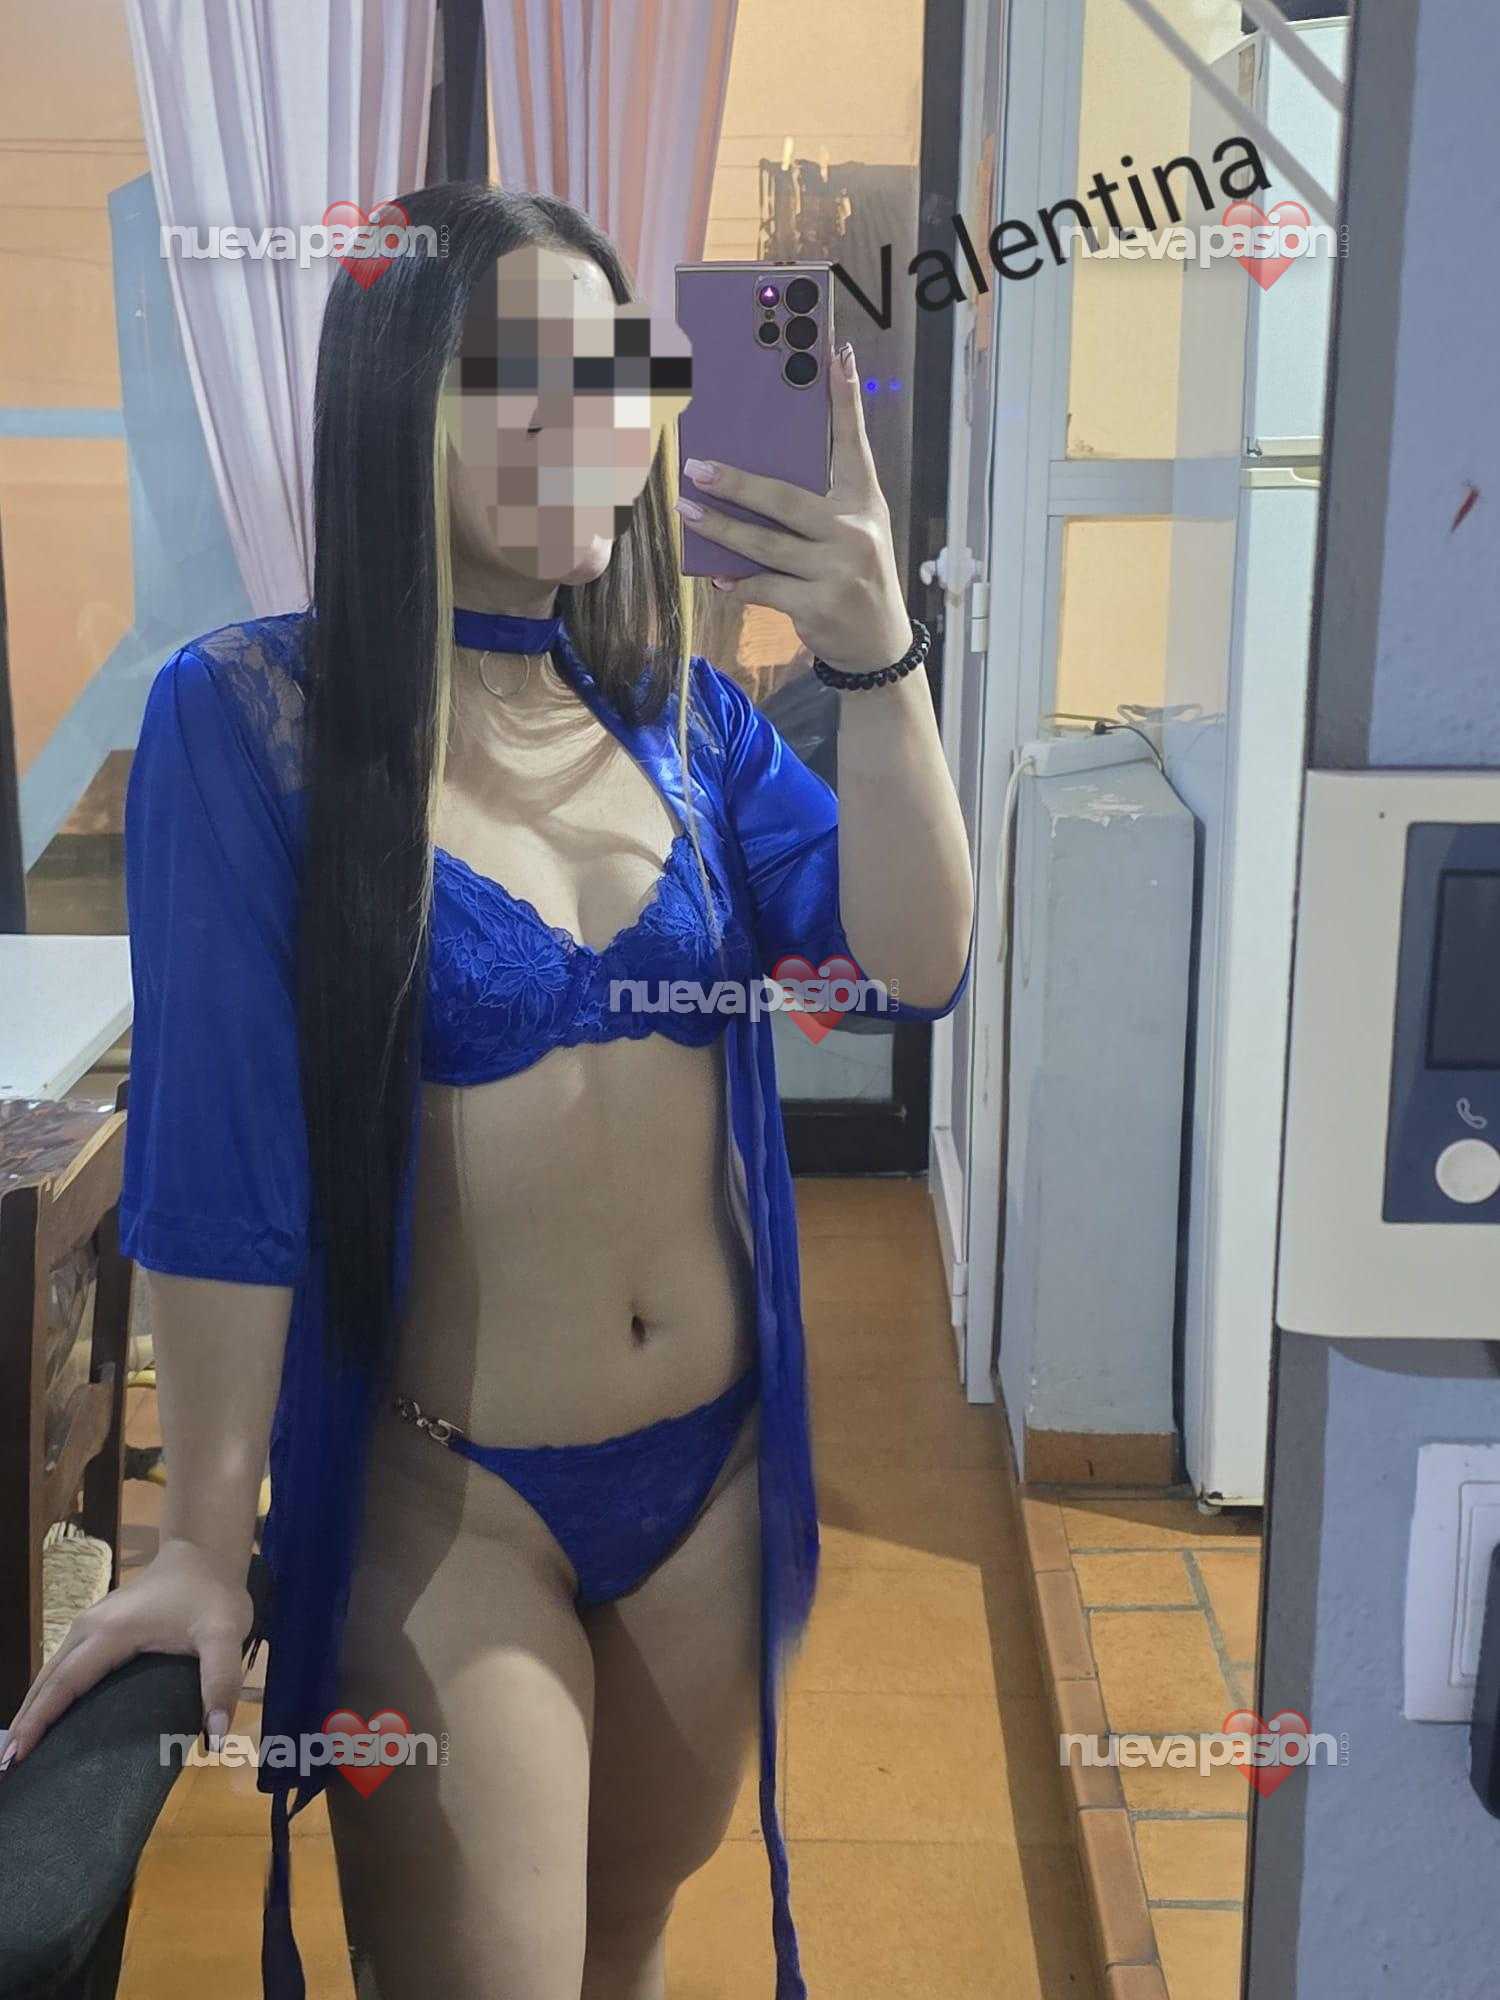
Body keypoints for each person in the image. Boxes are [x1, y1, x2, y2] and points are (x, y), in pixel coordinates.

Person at [0, 183, 973, 2000]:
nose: (581, 420)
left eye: (613, 373)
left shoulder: (688, 719)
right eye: (520, 376)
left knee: (624, 1945)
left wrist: (877, 662)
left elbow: (911, 961)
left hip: (713, 1478)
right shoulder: (261, 719)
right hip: (451, 1503)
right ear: (399, 401)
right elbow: (222, 1163)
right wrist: (201, 1539)